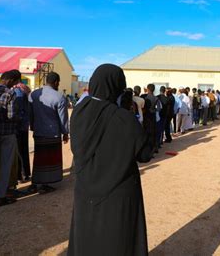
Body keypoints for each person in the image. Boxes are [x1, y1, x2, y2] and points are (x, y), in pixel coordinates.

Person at [68, 64, 152, 255]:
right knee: (117, 238)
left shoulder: (79, 113)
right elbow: (145, 154)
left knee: (87, 236)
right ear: (117, 87)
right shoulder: (124, 118)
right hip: (118, 192)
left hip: (86, 190)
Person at [29, 72, 69, 193]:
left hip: (39, 131)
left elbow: (30, 114)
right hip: (52, 133)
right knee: (49, 159)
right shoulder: (59, 97)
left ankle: (36, 182)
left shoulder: (33, 94)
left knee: (38, 158)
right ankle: (44, 184)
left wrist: (33, 126)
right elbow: (63, 118)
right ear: (56, 82)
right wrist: (65, 133)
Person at [0, 70, 21, 207]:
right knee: (6, 165)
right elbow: (11, 115)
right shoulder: (10, 93)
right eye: (16, 82)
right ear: (11, 80)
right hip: (7, 133)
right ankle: (0, 196)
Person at [14, 81, 31, 182]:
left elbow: (19, 110)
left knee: (19, 152)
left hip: (18, 127)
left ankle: (20, 175)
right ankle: (26, 173)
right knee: (24, 151)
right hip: (24, 126)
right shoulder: (25, 89)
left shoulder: (17, 91)